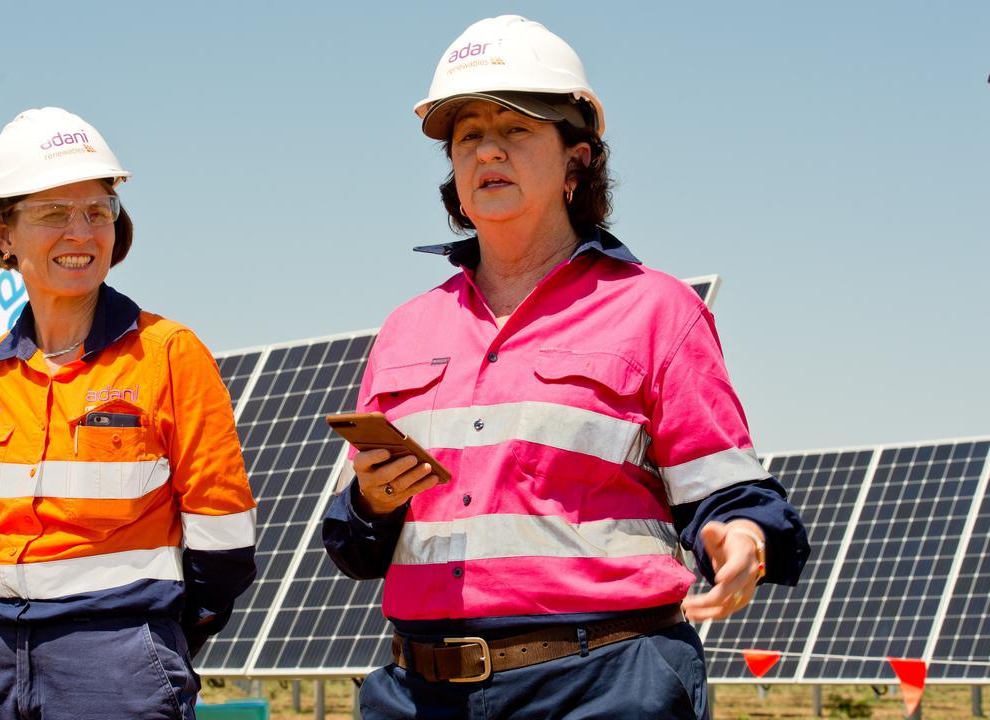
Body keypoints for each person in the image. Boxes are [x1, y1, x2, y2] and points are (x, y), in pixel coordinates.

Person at [322, 16, 809, 720]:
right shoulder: (406, 330)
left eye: (515, 129)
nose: (488, 149)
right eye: (467, 137)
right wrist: (371, 501)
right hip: (419, 693)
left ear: (577, 159)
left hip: (606, 686)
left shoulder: (656, 311)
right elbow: (354, 542)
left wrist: (743, 538)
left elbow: (729, 493)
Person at [0, 107, 257, 719]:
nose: (81, 233)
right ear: (3, 233)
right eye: (54, 214)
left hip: (118, 659)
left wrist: (147, 640)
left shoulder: (168, 355)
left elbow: (224, 545)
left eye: (97, 211)